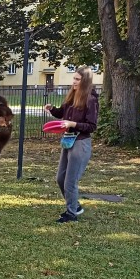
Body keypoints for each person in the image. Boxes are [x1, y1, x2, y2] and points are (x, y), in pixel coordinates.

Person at [44, 65, 99, 223]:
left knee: (70, 181)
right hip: (68, 141)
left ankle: (71, 214)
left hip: (80, 143)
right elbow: (63, 113)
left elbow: (91, 126)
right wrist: (52, 109)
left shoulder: (91, 99)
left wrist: (73, 124)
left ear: (85, 81)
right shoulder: (72, 95)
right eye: (73, 78)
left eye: (77, 79)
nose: (74, 82)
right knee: (60, 179)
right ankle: (76, 206)